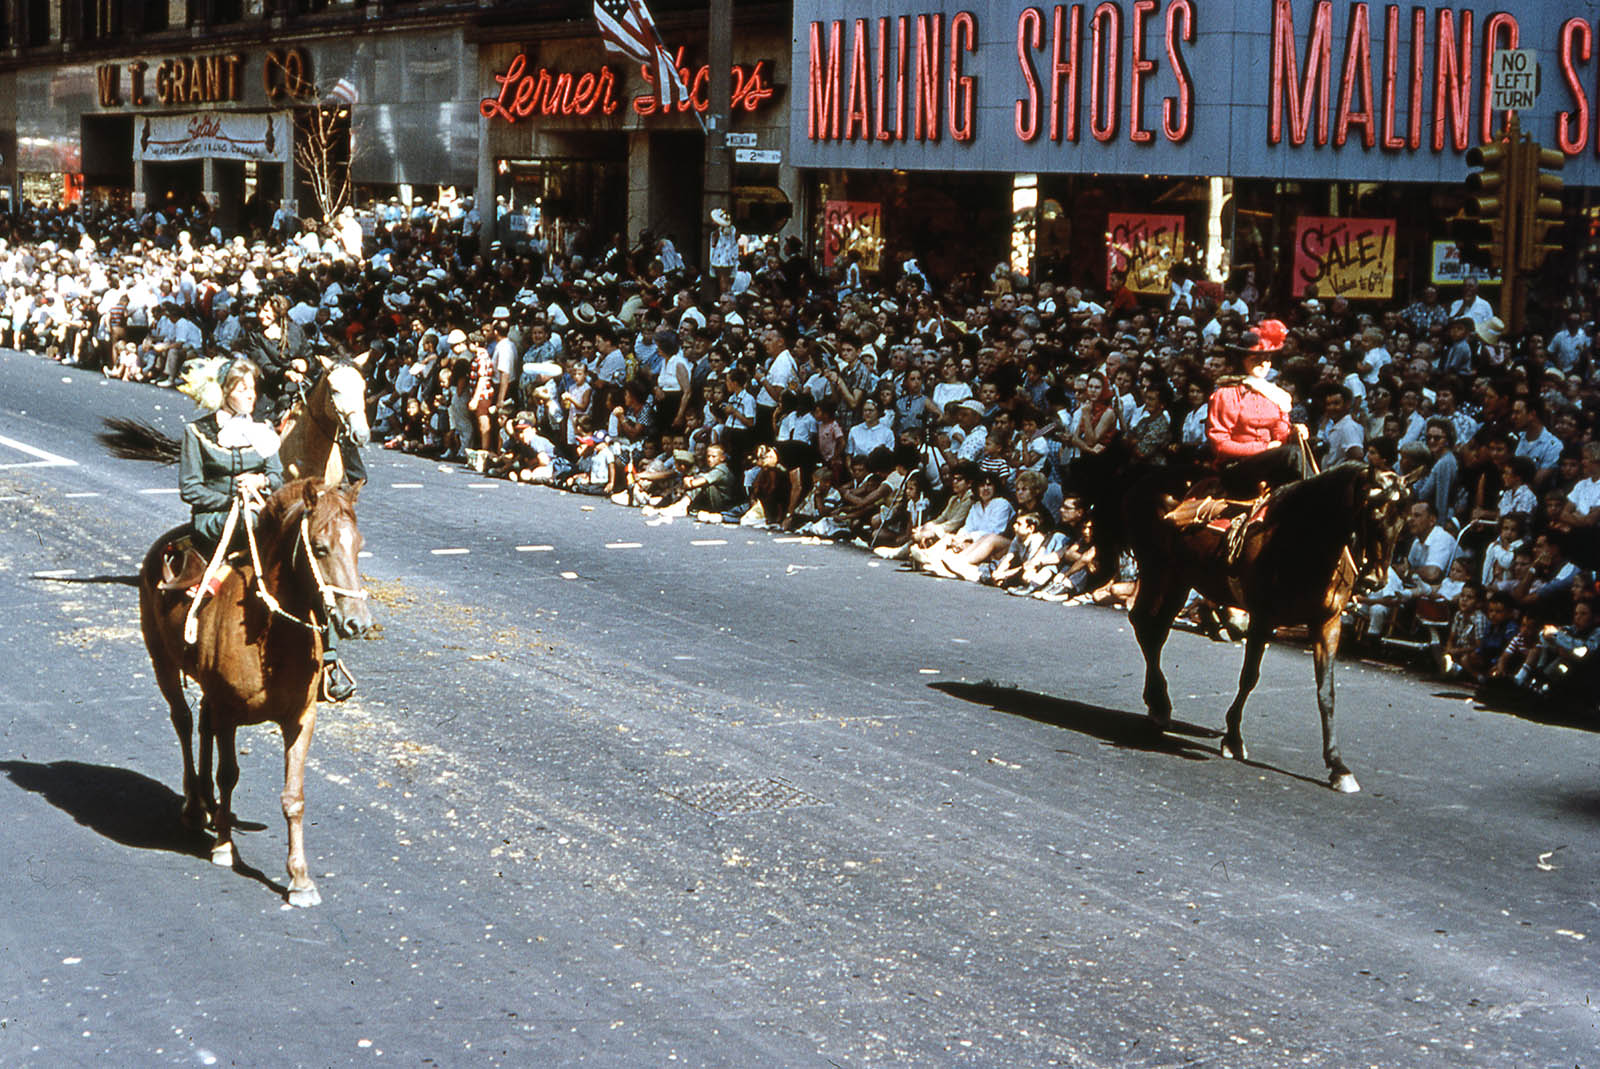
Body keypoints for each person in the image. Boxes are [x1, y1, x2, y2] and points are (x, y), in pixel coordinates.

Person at [178, 358, 284, 553]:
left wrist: (260, 481)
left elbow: (278, 477)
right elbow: (190, 489)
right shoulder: (196, 432)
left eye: (252, 389)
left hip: (258, 510)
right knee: (251, 520)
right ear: (224, 393)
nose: (251, 396)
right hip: (214, 516)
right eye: (242, 390)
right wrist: (232, 502)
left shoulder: (263, 429)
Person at [1205, 328, 1304, 498]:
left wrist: (1295, 432)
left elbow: (1281, 438)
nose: (1262, 364)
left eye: (1266, 359)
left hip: (1270, 461)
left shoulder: (1275, 394)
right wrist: (1263, 448)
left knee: (1307, 447)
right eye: (1255, 358)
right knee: (1292, 454)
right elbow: (1220, 445)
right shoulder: (1227, 393)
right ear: (1242, 361)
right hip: (1236, 466)